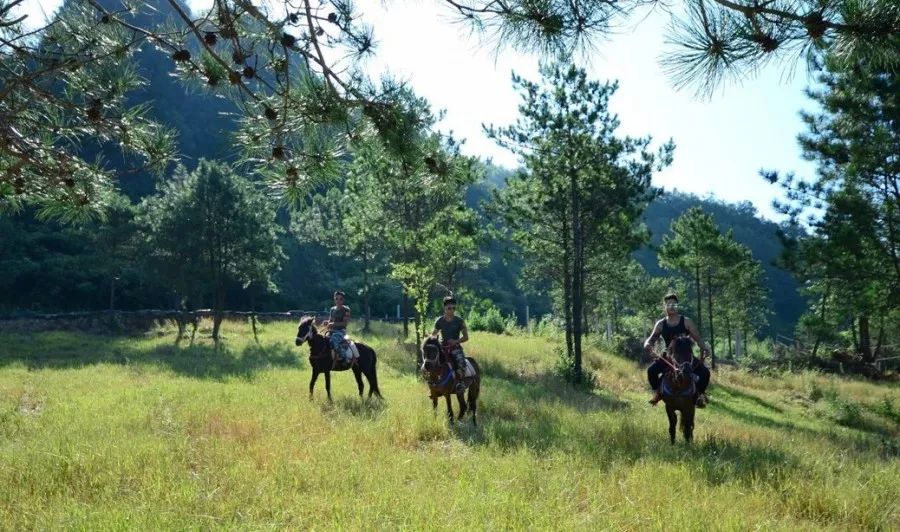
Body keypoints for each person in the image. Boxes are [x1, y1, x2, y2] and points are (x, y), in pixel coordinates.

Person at [643, 293, 711, 407]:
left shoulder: (686, 321)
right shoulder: (660, 324)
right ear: (664, 307)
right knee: (651, 371)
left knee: (705, 373)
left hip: (686, 357)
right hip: (669, 357)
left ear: (677, 305)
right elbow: (651, 339)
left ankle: (700, 394)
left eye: (674, 304)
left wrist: (705, 348)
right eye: (668, 304)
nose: (671, 306)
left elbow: (698, 338)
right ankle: (658, 393)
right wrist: (647, 344)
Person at [429, 296, 469, 392]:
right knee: (431, 362)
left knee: (462, 363)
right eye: (449, 308)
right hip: (443, 347)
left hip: (455, 347)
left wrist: (455, 341)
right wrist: (433, 339)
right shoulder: (439, 321)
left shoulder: (459, 321)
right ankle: (432, 383)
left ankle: (461, 383)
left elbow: (466, 337)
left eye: (454, 308)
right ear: (445, 308)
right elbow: (433, 334)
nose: (452, 310)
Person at [327, 290, 352, 366]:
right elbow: (330, 321)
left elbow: (344, 323)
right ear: (334, 299)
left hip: (341, 331)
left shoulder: (346, 310)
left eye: (340, 299)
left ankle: (344, 357)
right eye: (336, 298)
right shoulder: (332, 309)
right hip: (331, 330)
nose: (338, 301)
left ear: (343, 300)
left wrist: (332, 324)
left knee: (333, 340)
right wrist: (327, 323)